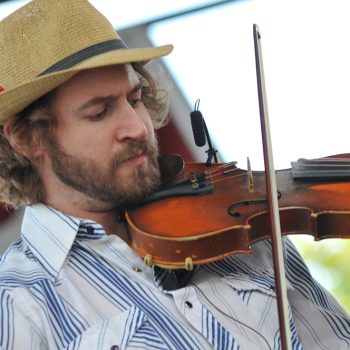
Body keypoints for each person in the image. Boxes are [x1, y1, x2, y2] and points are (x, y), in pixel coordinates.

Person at [0, 1, 349, 349]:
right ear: (27, 138)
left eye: (134, 99)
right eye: (100, 112)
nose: (137, 128)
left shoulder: (244, 229)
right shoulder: (18, 305)